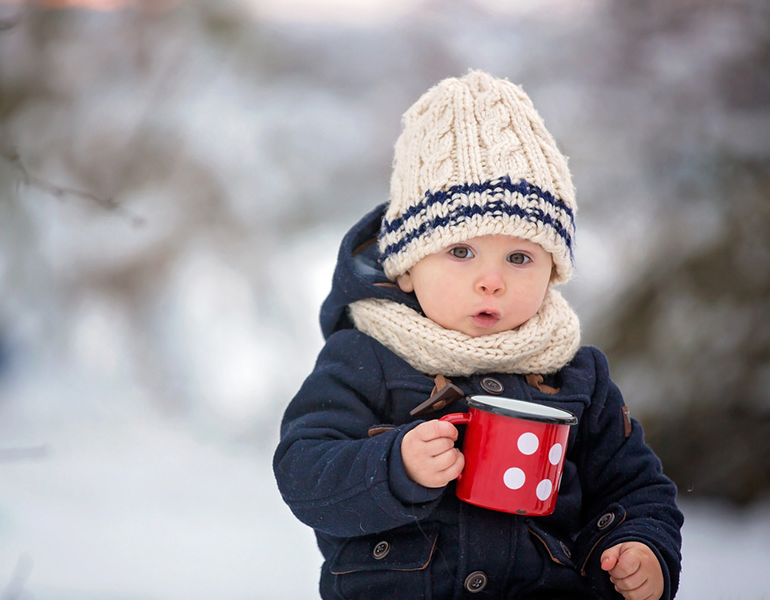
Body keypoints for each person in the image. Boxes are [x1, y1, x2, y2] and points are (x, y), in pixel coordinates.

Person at [273, 70, 683, 599]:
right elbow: (304, 472)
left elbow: (636, 487)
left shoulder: (579, 377)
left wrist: (641, 545)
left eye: (519, 257)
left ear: (552, 272)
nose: (491, 280)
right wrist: (394, 467)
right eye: (461, 252)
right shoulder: (366, 359)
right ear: (405, 268)